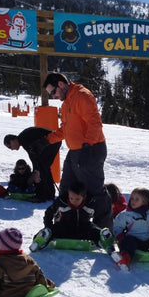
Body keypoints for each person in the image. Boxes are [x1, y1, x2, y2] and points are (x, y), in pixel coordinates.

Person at [42, 72, 112, 229]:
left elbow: (95, 124)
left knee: (94, 191)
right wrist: (46, 140)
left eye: (53, 92)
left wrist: (87, 147)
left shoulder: (82, 96)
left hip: (91, 149)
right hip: (75, 151)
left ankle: (104, 230)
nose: (53, 96)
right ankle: (66, 222)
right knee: (67, 188)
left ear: (61, 84)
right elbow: (66, 130)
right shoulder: (66, 103)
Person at [29, 181, 113, 252]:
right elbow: (49, 213)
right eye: (71, 198)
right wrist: (48, 226)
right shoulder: (62, 202)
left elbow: (100, 215)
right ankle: (41, 239)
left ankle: (104, 242)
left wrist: (97, 228)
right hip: (64, 227)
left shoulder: (91, 203)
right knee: (52, 230)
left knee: (96, 231)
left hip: (83, 228)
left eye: (77, 199)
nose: (74, 201)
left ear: (84, 197)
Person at [3, 127, 61, 202]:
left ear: (13, 140)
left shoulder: (24, 140)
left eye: (10, 146)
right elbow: (34, 156)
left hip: (52, 142)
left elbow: (34, 158)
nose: (11, 149)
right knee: (44, 167)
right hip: (54, 141)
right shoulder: (23, 139)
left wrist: (35, 171)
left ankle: (41, 196)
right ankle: (49, 194)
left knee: (40, 169)